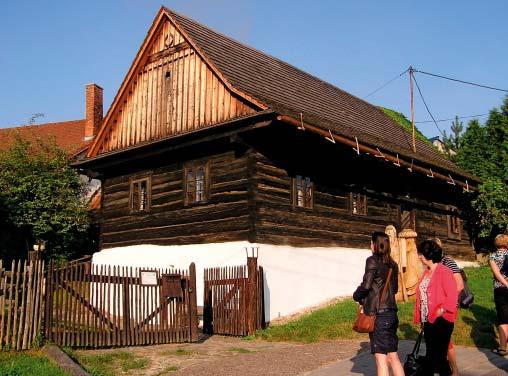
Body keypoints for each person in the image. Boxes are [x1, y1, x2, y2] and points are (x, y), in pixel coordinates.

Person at [353, 232, 404, 376]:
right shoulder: (393, 264)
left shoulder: (372, 261)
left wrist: (356, 295)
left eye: (371, 242)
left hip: (379, 316)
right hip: (392, 314)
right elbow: (394, 289)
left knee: (381, 359)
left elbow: (366, 285)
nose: (370, 245)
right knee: (393, 356)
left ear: (376, 244)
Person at [414, 239, 458, 376]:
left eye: (420, 254)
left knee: (437, 357)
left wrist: (442, 310)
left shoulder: (444, 271)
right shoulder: (427, 272)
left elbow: (452, 293)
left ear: (428, 254)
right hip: (428, 320)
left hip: (441, 319)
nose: (419, 257)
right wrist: (422, 318)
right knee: (433, 356)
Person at [432, 237, 464, 376]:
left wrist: (445, 304)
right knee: (437, 338)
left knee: (445, 338)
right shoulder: (431, 264)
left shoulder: (448, 262)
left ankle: (454, 370)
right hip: (435, 307)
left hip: (447, 306)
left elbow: (459, 285)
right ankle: (442, 366)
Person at [489, 234, 508, 356]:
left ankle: (502, 348)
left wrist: (506, 283)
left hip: (500, 289)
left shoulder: (493, 256)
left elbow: (497, 274)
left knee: (503, 318)